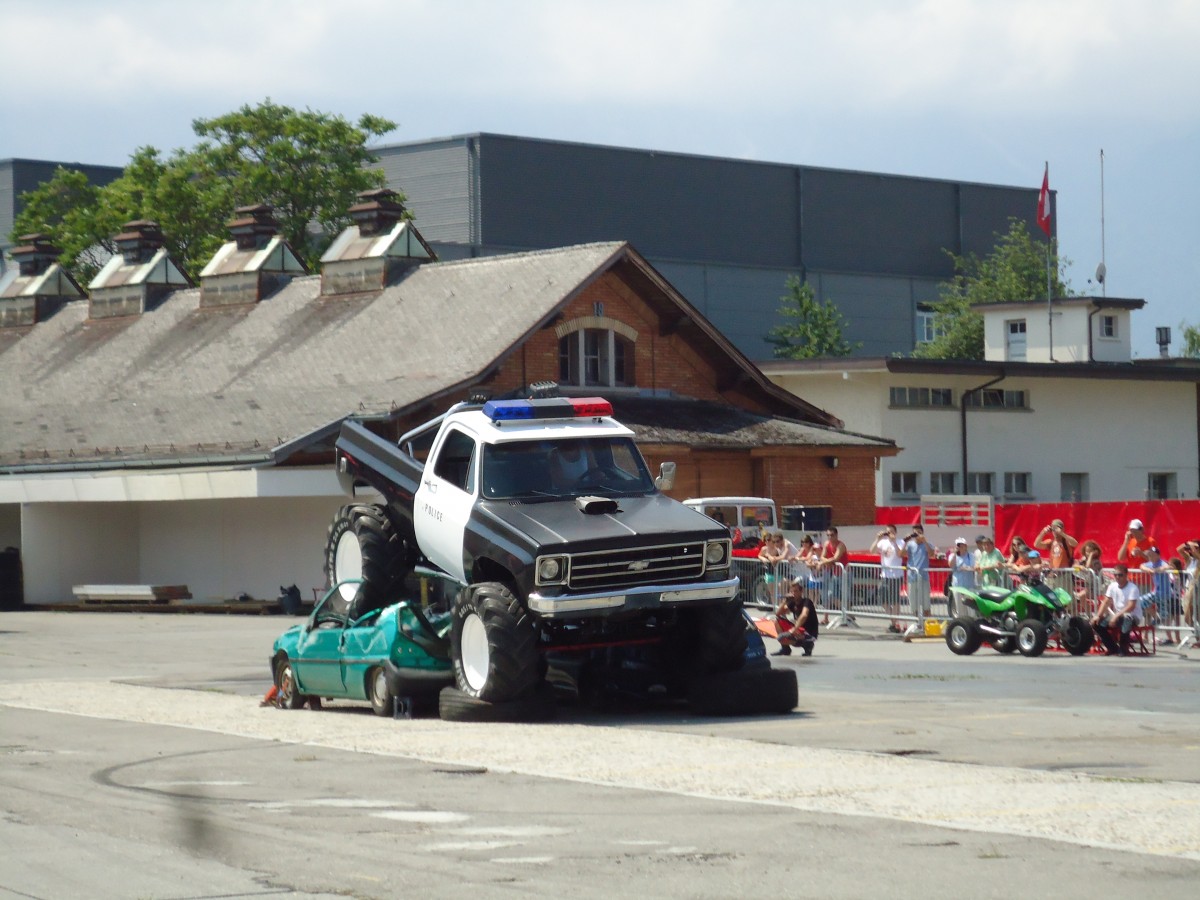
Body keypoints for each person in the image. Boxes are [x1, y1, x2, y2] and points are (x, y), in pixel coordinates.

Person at [1091, 564, 1142, 656]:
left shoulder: (1132, 588)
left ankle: (1123, 648)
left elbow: (1131, 606)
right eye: (1116, 575)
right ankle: (1112, 648)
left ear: (1126, 575)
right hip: (1118, 615)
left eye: (1120, 575)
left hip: (1132, 616)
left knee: (1127, 619)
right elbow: (1106, 602)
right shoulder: (1112, 586)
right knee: (1096, 623)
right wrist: (1098, 616)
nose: (1118, 577)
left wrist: (1116, 616)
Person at [772, 578, 818, 656]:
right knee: (778, 621)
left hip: (809, 632)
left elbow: (804, 615)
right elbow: (778, 613)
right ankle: (785, 649)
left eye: (796, 591)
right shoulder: (792, 602)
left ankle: (807, 645)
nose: (793, 593)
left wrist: (794, 629)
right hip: (799, 630)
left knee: (787, 635)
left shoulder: (807, 601)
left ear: (801, 591)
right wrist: (785, 601)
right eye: (792, 591)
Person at [1141, 545, 1177, 642]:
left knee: (1165, 616)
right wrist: (1148, 570)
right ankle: (1156, 617)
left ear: (1157, 555)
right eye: (1149, 555)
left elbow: (1167, 567)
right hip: (1156, 592)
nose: (1150, 557)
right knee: (1141, 601)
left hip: (1164, 594)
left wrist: (1155, 570)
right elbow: (1142, 566)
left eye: (1152, 555)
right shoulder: (1150, 564)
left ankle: (1170, 638)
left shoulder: (1162, 562)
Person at [875, 524, 904, 632]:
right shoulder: (883, 542)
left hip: (896, 575)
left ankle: (894, 623)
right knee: (883, 600)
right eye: (887, 532)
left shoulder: (900, 542)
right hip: (885, 574)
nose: (889, 534)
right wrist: (877, 539)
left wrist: (894, 542)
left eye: (891, 532)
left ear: (895, 532)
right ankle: (893, 620)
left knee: (895, 600)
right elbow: (873, 550)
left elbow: (900, 554)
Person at [816, 525, 849, 622]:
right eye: (828, 535)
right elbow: (822, 556)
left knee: (840, 595)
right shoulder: (827, 543)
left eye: (832, 535)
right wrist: (826, 562)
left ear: (836, 535)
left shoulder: (841, 545)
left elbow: (836, 558)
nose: (830, 537)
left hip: (843, 572)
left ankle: (847, 613)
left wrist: (823, 562)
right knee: (827, 595)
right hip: (831, 572)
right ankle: (826, 617)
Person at [902, 524, 931, 620]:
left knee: (926, 601)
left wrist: (925, 541)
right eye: (915, 533)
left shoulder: (927, 544)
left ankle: (927, 621)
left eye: (919, 532)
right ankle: (916, 621)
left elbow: (931, 554)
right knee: (913, 601)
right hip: (912, 576)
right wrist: (905, 542)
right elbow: (901, 554)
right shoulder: (910, 545)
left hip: (924, 576)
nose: (917, 535)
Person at [946, 537, 976, 617]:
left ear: (966, 546)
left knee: (971, 609)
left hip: (969, 586)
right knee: (960, 609)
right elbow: (951, 565)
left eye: (962, 545)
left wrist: (966, 568)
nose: (961, 547)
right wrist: (955, 554)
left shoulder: (971, 555)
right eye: (958, 545)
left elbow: (973, 567)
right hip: (957, 585)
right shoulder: (952, 555)